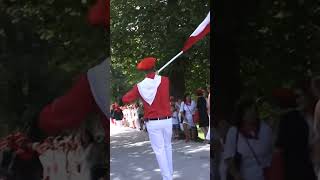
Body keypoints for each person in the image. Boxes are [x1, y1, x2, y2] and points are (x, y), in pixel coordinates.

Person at [122, 57, 173, 180]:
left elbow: (125, 99)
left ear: (144, 71)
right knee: (167, 147)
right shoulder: (165, 80)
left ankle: (168, 178)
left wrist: (140, 89)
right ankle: (169, 175)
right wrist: (155, 77)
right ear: (155, 68)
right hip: (167, 120)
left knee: (160, 151)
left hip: (153, 123)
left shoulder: (140, 86)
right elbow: (157, 83)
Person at [272, 88, 317, 180]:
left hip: (292, 169)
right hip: (306, 166)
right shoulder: (301, 119)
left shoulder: (285, 121)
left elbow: (278, 147)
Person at [224, 97, 272, 180]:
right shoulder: (234, 132)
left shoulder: (265, 129)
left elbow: (272, 152)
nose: (252, 113)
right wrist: (236, 175)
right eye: (249, 110)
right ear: (241, 114)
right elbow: (229, 158)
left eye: (254, 110)